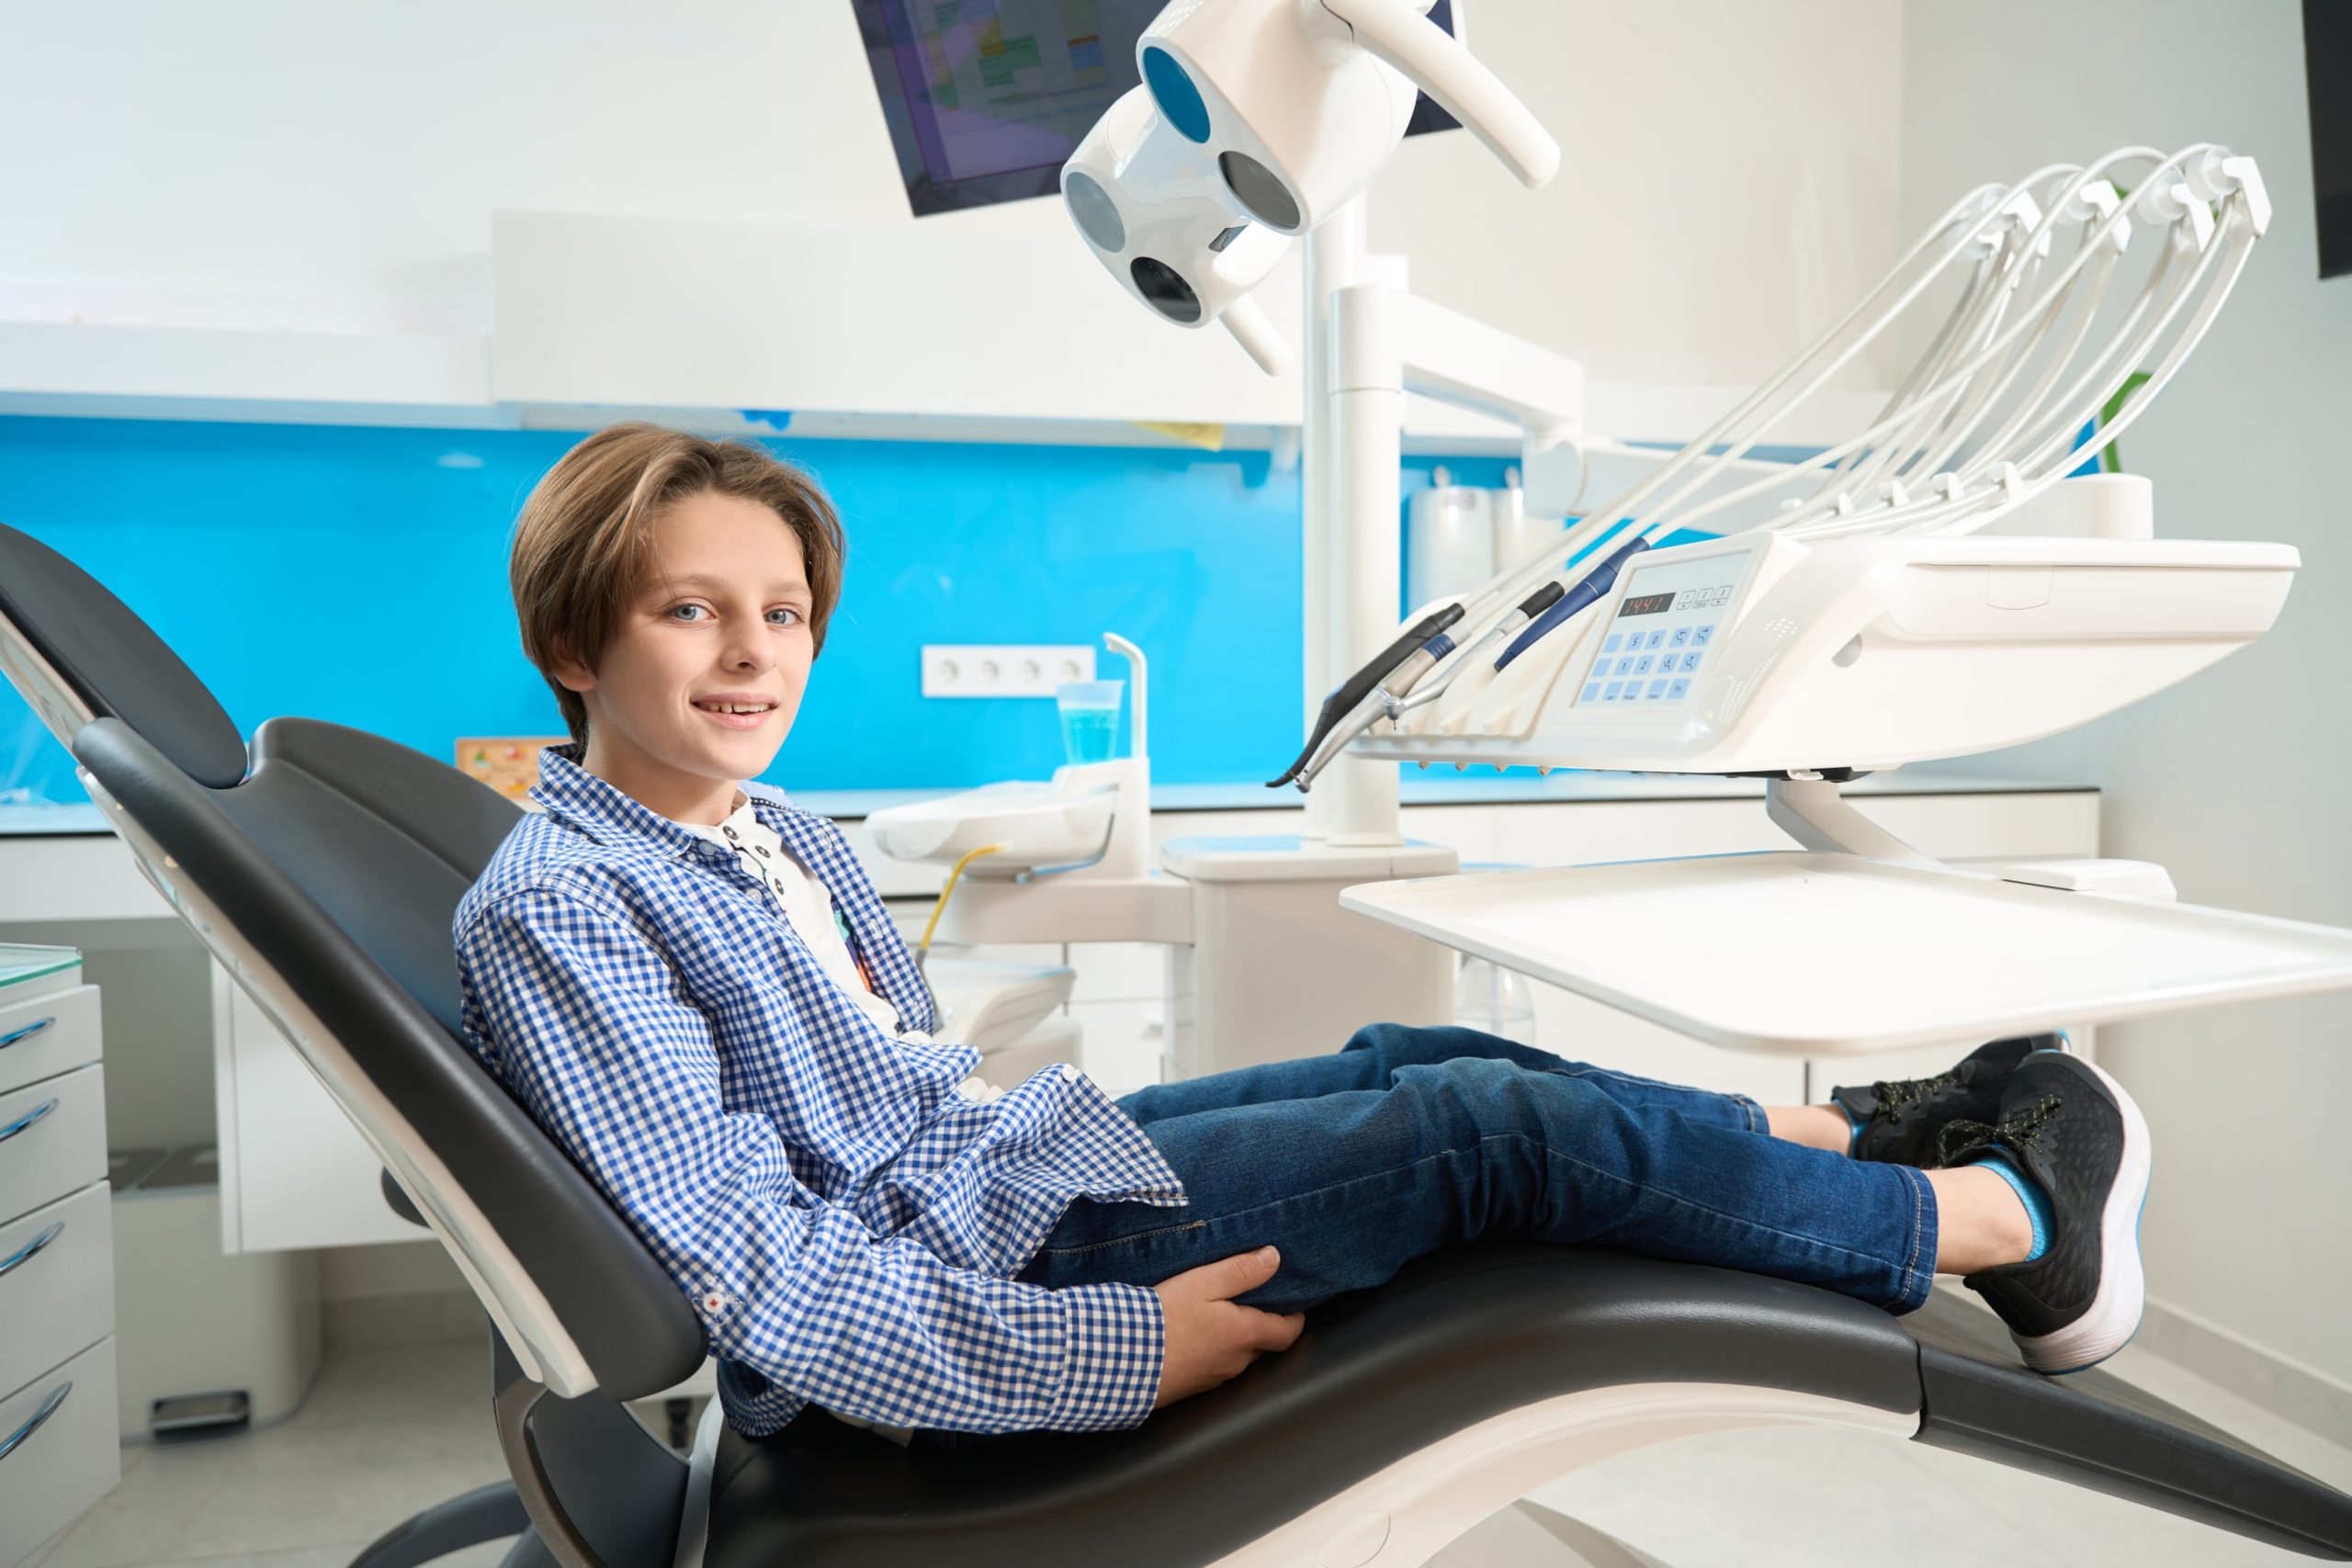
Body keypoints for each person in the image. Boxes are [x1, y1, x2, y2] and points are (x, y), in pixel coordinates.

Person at [454, 423, 2151, 1443]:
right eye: (691, 610)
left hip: (989, 1179)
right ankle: (2000, 1223)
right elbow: (765, 1277)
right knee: (1490, 1139)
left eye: (784, 613)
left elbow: (903, 1103)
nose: (754, 652)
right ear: (577, 647)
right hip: (984, 1276)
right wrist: (1109, 1349)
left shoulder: (769, 838)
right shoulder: (568, 906)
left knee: (1419, 1060)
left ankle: (1862, 1134)